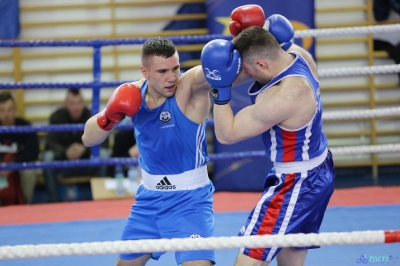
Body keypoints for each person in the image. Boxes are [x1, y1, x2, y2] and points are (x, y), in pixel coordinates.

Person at [201, 5, 336, 266]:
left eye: (250, 70)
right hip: (317, 169)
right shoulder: (299, 56)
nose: (246, 75)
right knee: (291, 260)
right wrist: (245, 42)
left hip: (296, 183)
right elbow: (261, 53)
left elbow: (227, 134)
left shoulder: (283, 96)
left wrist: (219, 90)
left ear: (262, 63)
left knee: (248, 260)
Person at [82, 36, 215, 266]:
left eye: (176, 68)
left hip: (190, 200)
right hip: (149, 200)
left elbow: (222, 68)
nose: (172, 77)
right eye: (162, 71)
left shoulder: (190, 86)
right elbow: (88, 138)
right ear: (145, 71)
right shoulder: (132, 93)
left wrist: (248, 45)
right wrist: (108, 117)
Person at [43, 88, 109, 202]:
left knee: (104, 154)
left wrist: (85, 149)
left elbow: (104, 141)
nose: (76, 107)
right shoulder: (56, 117)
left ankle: (102, 199)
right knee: (47, 157)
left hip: (87, 163)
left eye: (79, 103)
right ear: (65, 104)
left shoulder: (92, 116)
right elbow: (50, 142)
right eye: (72, 103)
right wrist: (65, 152)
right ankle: (54, 202)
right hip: (64, 164)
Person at [0, 92, 40, 205]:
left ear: (15, 110)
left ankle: (24, 206)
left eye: (9, 110)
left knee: (29, 171)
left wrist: (13, 165)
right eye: (2, 110)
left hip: (18, 168)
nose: (6, 114)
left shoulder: (25, 127)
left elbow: (33, 152)